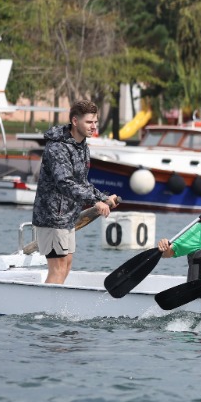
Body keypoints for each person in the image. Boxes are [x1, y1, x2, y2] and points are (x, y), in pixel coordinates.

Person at [31, 99, 121, 285]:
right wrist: (95, 203)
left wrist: (103, 198)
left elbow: (82, 183)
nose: (94, 126)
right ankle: (46, 312)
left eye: (95, 122)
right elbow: (65, 183)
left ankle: (53, 309)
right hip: (52, 216)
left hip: (68, 216)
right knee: (57, 267)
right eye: (89, 122)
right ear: (75, 121)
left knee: (67, 264)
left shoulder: (82, 146)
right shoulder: (57, 147)